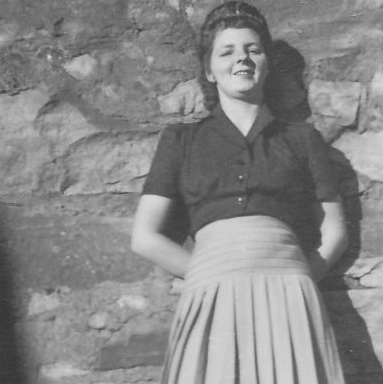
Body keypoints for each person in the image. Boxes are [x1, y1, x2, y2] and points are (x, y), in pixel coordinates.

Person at [131, 2, 348, 383]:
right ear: (209, 70)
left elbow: (335, 232)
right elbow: (144, 237)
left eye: (253, 49)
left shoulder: (301, 139)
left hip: (289, 297)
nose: (242, 59)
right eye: (226, 51)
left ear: (266, 63)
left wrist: (295, 274)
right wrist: (207, 272)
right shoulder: (181, 140)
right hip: (211, 294)